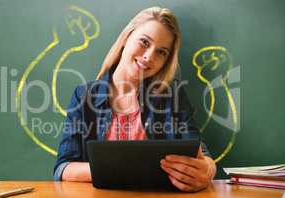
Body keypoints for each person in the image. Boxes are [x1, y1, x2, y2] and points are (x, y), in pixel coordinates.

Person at [53, 7, 216, 192]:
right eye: (145, 42)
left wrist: (208, 171)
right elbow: (63, 169)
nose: (149, 57)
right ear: (126, 38)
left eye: (162, 52)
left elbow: (201, 154)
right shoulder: (84, 95)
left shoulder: (171, 92)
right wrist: (126, 168)